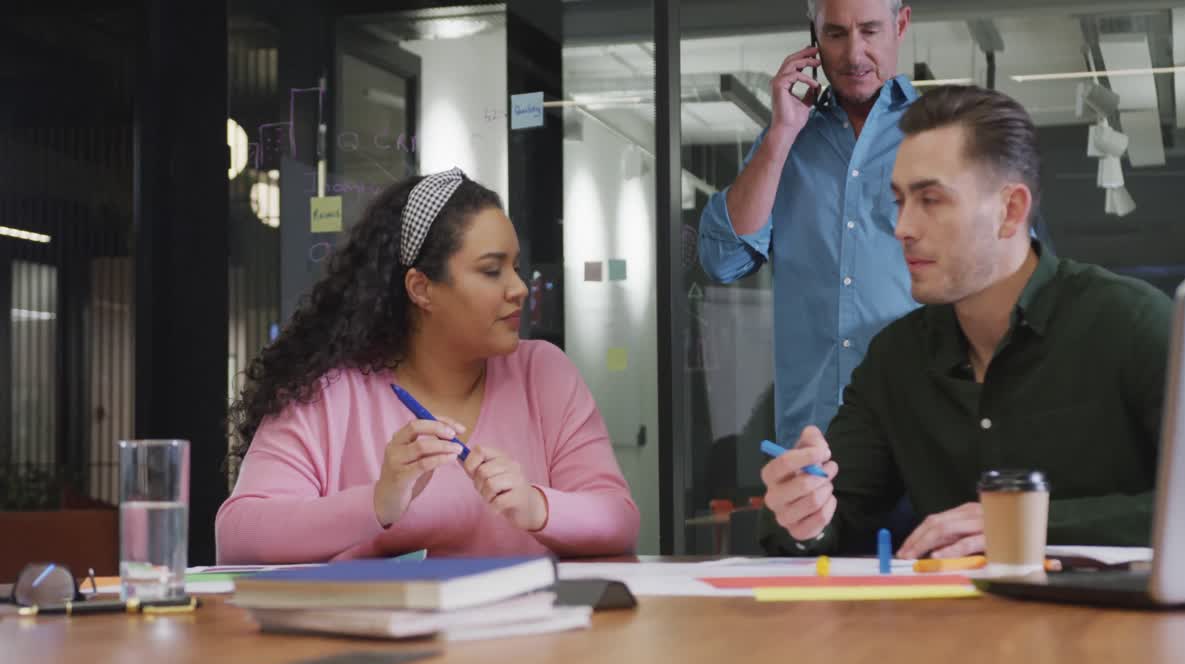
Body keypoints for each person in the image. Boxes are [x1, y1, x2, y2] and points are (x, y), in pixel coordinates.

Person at [759, 86, 1172, 557]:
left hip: (1118, 628)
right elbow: (835, 516)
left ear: (1010, 211)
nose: (902, 228)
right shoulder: (897, 360)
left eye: (931, 200)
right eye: (899, 201)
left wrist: (1023, 525)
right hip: (952, 628)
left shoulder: (1131, 324)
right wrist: (803, 513)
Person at [216, 169, 640, 563]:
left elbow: (618, 519)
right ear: (421, 288)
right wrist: (379, 503)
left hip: (526, 639)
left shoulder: (544, 374)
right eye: (492, 271)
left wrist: (538, 506)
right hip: (376, 639)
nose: (520, 289)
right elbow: (238, 537)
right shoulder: (329, 393)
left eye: (516, 267)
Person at [698, 0, 920, 449]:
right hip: (811, 441)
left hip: (917, 434)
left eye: (871, 31)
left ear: (901, 24)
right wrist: (780, 134)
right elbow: (722, 261)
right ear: (813, 36)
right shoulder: (784, 143)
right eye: (836, 34)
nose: (854, 54)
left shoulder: (941, 133)